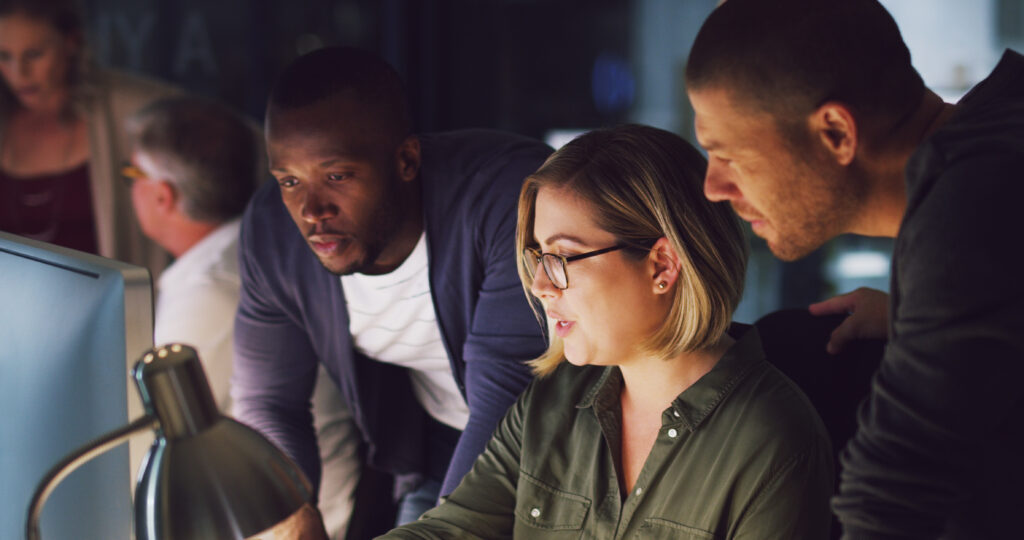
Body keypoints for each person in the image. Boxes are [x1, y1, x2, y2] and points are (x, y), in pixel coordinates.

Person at [378, 124, 834, 539]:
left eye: (561, 258)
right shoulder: (550, 401)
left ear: (662, 265)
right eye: (537, 257)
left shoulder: (773, 442)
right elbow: (450, 531)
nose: (539, 287)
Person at [684, 0, 1024, 537]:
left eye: (730, 154)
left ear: (837, 133)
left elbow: (894, 487)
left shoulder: (976, 206)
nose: (714, 187)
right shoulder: (997, 147)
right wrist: (929, 319)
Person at [231, 46, 551, 527]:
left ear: (405, 160)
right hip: (437, 448)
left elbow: (508, 398)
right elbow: (269, 401)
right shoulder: (274, 233)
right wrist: (288, 512)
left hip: (564, 454)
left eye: (337, 176)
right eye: (289, 181)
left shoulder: (506, 198)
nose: (311, 211)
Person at [125, 96, 360, 538]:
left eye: (130, 174)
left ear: (163, 194)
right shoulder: (244, 256)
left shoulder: (210, 290)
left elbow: (150, 447)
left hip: (290, 524)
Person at [0, 0, 175, 274]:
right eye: (4, 56)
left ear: (71, 42)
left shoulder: (137, 110)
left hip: (115, 311)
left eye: (33, 54)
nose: (19, 73)